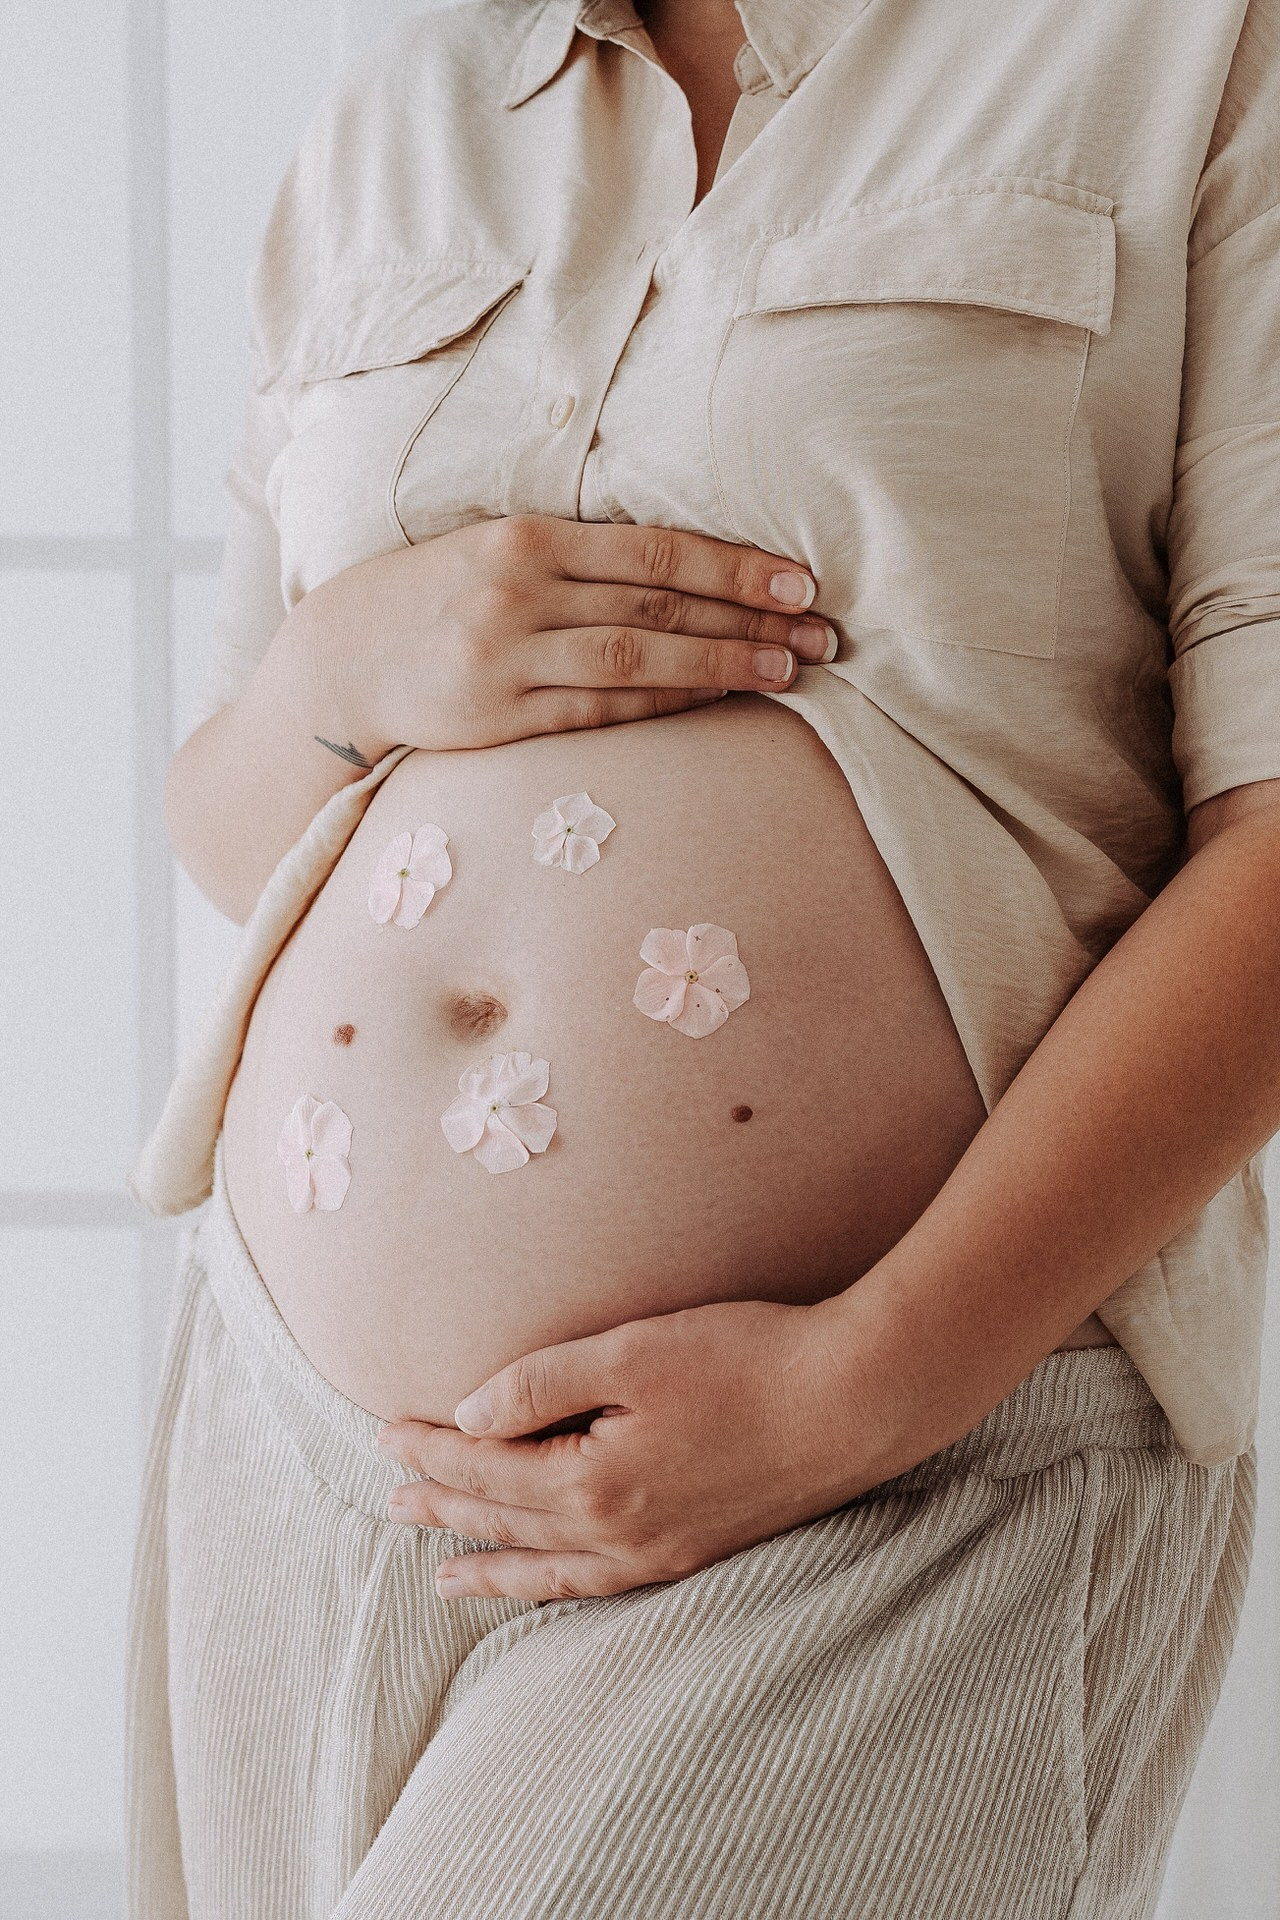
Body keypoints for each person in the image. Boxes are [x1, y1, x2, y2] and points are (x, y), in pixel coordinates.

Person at [127, 1, 1280, 1914]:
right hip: (298, 1453)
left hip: (893, 1460)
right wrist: (342, 678)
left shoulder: (1182, 46)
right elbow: (244, 828)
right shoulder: (404, 111)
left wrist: (857, 1390)